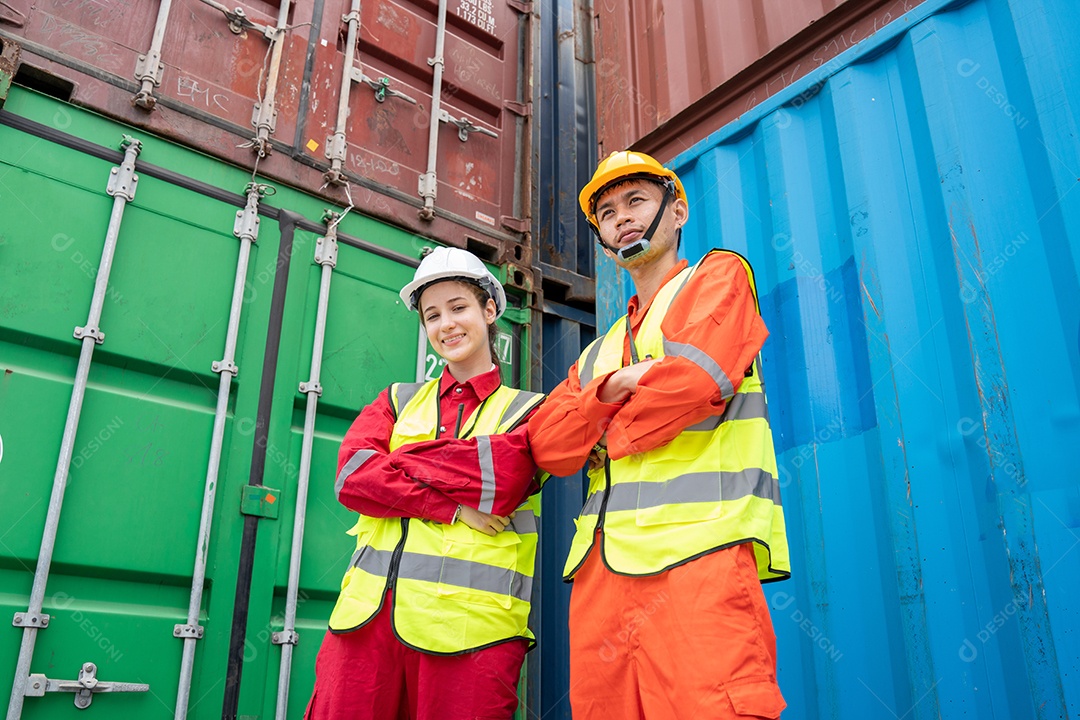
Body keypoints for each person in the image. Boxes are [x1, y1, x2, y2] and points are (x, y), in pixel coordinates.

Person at [528, 151, 791, 719]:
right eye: (606, 211)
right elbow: (547, 447)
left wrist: (596, 424)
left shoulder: (718, 277)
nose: (621, 217)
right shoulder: (600, 350)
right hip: (602, 575)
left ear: (677, 212)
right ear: (599, 236)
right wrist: (616, 385)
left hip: (701, 560)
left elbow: (696, 381)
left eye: (636, 201)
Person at [305, 247, 544, 720]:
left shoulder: (527, 410)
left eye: (458, 308)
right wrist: (451, 507)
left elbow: (504, 480)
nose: (446, 325)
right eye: (432, 315)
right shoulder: (396, 399)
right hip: (364, 625)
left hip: (470, 635)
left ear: (489, 310)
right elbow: (354, 479)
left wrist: (399, 459)